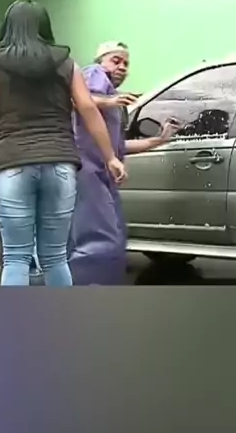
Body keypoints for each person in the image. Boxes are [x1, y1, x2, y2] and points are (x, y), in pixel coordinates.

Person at [0, 2, 126, 286]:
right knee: (55, 257)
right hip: (60, 164)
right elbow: (88, 108)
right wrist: (111, 157)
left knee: (16, 257)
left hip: (13, 164)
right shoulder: (66, 63)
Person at [68, 41, 177, 285]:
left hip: (102, 176)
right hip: (88, 172)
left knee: (111, 235)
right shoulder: (95, 74)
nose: (122, 67)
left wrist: (158, 140)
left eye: (126, 63)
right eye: (115, 61)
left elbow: (118, 146)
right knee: (99, 237)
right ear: (100, 62)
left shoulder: (113, 100)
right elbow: (78, 100)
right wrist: (109, 102)